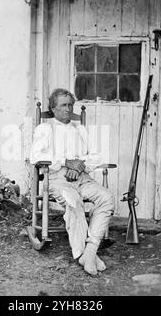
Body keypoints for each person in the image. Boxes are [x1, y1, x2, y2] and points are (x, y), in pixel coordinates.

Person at [30, 88, 115, 276]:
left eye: (70, 105)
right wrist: (66, 163)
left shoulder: (81, 129)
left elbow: (95, 155)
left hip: (82, 177)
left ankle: (90, 251)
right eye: (63, 105)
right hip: (58, 179)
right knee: (73, 202)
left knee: (106, 198)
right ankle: (81, 254)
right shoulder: (45, 129)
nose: (68, 109)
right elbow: (36, 156)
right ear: (53, 108)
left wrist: (80, 165)